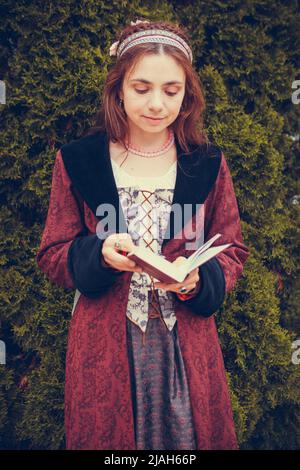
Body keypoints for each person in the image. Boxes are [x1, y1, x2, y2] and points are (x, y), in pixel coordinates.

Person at [36, 19, 250, 450]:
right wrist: (98, 255)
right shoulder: (80, 161)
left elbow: (232, 249)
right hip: (104, 345)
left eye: (171, 91)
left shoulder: (206, 163)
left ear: (186, 93)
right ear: (118, 88)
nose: (156, 103)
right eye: (141, 88)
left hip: (187, 341)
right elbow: (54, 253)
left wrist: (195, 278)